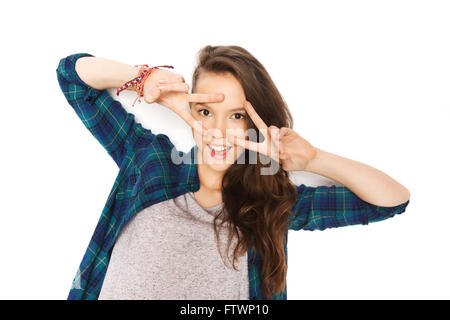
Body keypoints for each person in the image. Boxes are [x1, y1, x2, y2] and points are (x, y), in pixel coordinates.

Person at [56, 45, 410, 300]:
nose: (218, 131)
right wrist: (142, 78)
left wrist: (313, 159)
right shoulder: (152, 164)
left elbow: (390, 201)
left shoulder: (270, 203)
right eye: (207, 111)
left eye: (237, 116)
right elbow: (72, 76)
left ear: (256, 124)